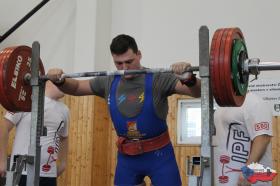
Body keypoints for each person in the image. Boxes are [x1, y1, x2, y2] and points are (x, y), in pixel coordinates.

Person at [47, 34, 201, 186]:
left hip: (160, 156)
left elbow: (197, 92)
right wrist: (61, 81)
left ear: (139, 55)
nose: (124, 68)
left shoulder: (158, 78)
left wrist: (188, 78)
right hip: (127, 159)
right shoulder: (108, 80)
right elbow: (77, 87)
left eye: (129, 61)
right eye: (118, 63)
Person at [0, 81, 70, 186]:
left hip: (48, 175)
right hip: (21, 172)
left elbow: (64, 137)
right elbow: (3, 127)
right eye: (60, 81)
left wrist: (63, 163)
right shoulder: (26, 101)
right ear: (47, 82)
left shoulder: (65, 110)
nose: (64, 85)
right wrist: (2, 161)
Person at [213, 92, 273, 186]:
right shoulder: (222, 106)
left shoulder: (254, 102)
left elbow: (263, 138)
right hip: (225, 178)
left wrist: (248, 172)